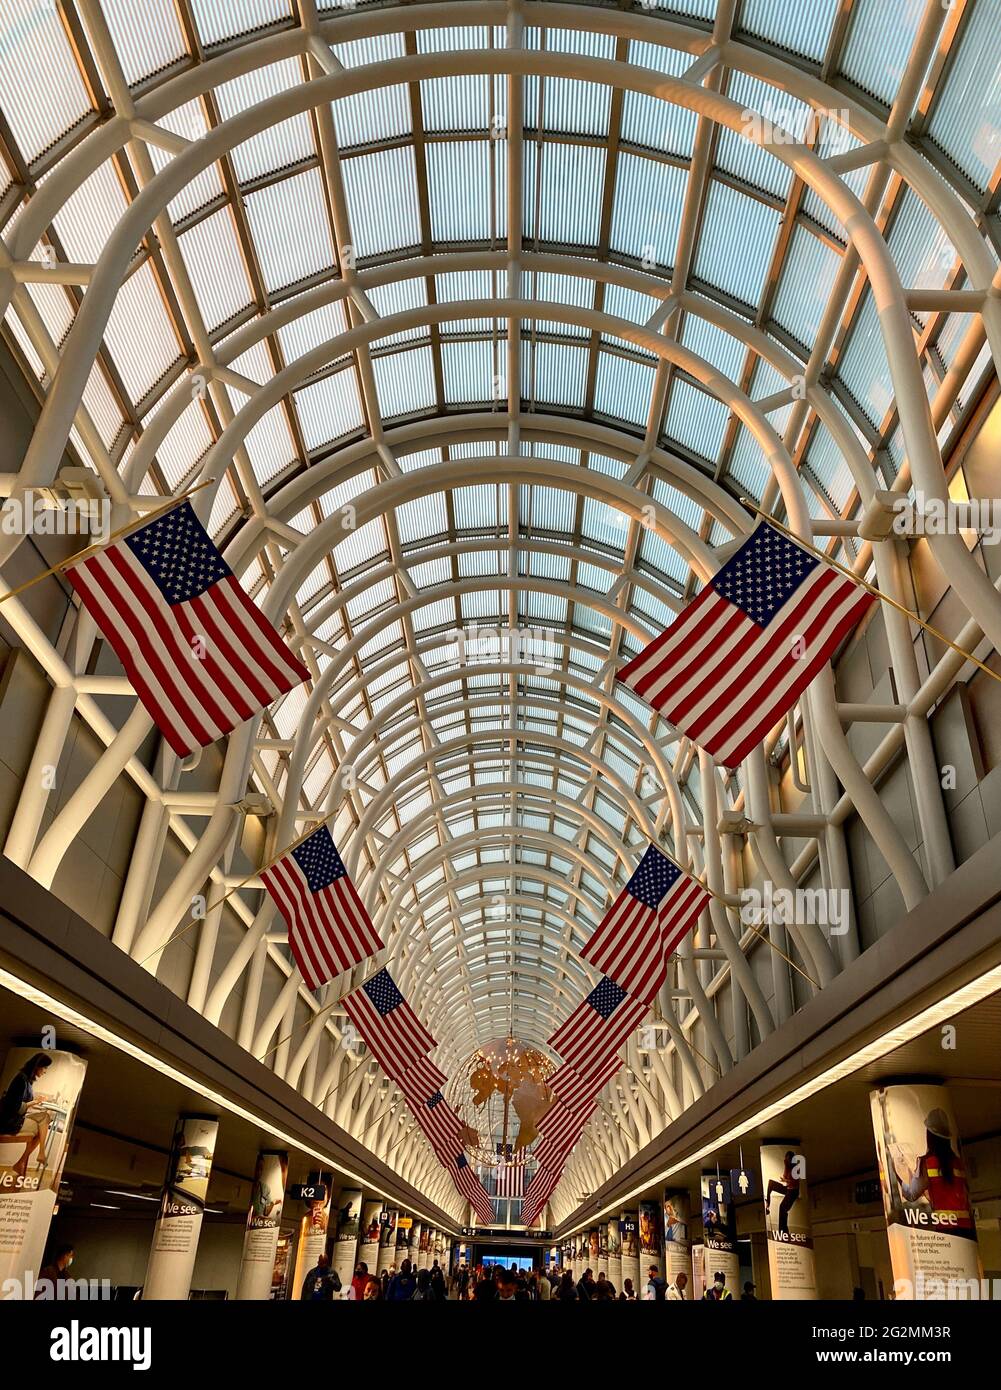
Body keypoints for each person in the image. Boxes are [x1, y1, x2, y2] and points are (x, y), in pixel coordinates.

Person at [891, 1108, 973, 1230]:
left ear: (929, 1135)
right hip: (967, 1227)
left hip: (945, 1228)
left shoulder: (927, 1163)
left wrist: (896, 1174)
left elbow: (911, 1194)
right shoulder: (958, 1162)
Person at [0, 1053, 55, 1179]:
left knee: (45, 1119)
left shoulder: (26, 1080)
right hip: (9, 1122)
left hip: (14, 1118)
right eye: (45, 1068)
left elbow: (22, 1101)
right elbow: (15, 1107)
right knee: (43, 1124)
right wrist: (35, 1102)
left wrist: (35, 1101)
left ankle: (25, 1161)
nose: (45, 1071)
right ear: (38, 1066)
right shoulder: (21, 1079)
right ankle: (38, 1154)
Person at [765, 1151, 802, 1236]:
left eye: (788, 1160)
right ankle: (768, 1204)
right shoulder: (786, 1164)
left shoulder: (796, 1169)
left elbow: (794, 1183)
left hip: (793, 1191)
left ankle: (784, 1231)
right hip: (788, 1188)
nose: (787, 1161)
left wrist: (786, 1180)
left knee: (782, 1207)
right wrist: (785, 1179)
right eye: (786, 1159)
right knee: (771, 1183)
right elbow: (785, 1176)